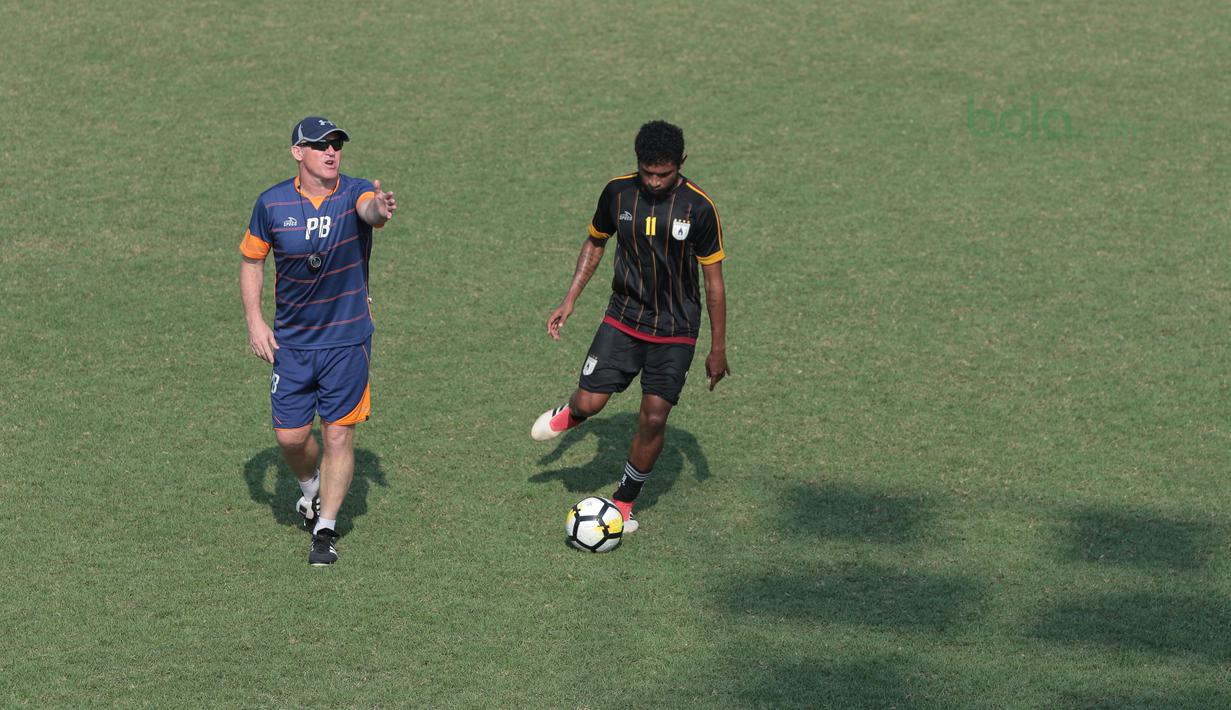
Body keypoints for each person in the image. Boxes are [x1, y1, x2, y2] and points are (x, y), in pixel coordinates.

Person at [531, 119, 730, 534]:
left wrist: (717, 347)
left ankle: (623, 503)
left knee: (654, 418)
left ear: (682, 164)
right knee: (590, 405)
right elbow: (596, 241)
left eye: (664, 173)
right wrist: (570, 299)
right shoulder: (617, 192)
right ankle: (572, 411)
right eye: (647, 172)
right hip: (623, 319)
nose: (655, 181)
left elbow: (714, 282)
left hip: (676, 329)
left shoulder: (699, 208)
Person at [239, 116, 396, 566]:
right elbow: (252, 260)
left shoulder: (355, 192)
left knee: (339, 436)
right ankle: (311, 490)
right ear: (297, 152)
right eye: (320, 145)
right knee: (289, 438)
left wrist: (380, 210)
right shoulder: (271, 204)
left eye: (336, 145)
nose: (331, 152)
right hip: (292, 342)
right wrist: (255, 322)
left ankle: (324, 530)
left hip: (347, 342)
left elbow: (371, 210)